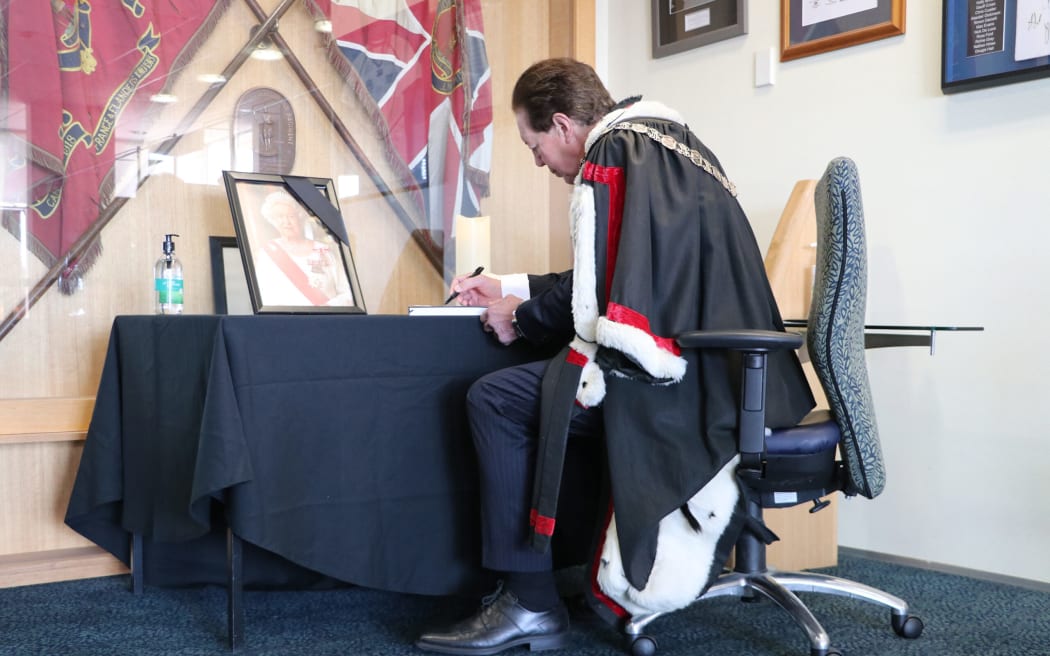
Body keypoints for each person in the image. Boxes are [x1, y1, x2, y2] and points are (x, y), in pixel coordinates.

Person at [415, 58, 814, 654]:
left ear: (562, 125)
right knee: (540, 393)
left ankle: (528, 603)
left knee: (494, 399)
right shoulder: (666, 145)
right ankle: (573, 567)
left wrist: (519, 319)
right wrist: (511, 286)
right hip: (728, 376)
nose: (539, 162)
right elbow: (611, 272)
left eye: (534, 145)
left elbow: (601, 292)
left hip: (679, 385)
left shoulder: (615, 155)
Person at [253, 190, 354, 307]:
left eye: (291, 216)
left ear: (299, 218)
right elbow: (264, 296)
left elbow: (348, 293)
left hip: (327, 321)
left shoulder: (324, 250)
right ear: (273, 221)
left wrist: (327, 308)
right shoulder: (268, 253)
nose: (286, 222)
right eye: (280, 217)